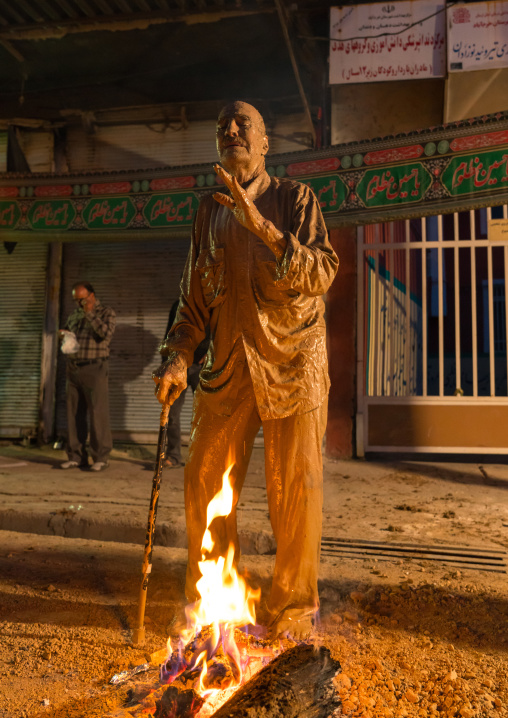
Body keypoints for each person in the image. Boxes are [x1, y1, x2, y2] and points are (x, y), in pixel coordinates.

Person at [152, 101, 339, 640]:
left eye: (243, 126)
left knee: (295, 490)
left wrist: (260, 225)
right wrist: (178, 356)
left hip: (294, 364)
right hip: (228, 368)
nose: (231, 131)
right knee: (202, 478)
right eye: (222, 128)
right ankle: (209, 606)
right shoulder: (207, 212)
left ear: (264, 144)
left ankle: (294, 611)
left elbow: (322, 270)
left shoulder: (294, 199)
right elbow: (192, 307)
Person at [60, 281, 116, 471]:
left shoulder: (106, 312)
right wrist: (64, 335)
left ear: (91, 296)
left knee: (98, 413)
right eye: (76, 300)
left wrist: (90, 313)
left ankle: (100, 457)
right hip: (73, 368)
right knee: (74, 413)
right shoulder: (75, 313)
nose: (79, 304)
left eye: (82, 300)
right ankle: (76, 456)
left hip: (95, 368)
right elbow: (69, 332)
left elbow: (104, 334)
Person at [163, 299, 209, 469]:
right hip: (178, 366)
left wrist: (211, 352)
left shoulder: (210, 304)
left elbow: (221, 332)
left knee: (205, 415)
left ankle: (204, 458)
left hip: (201, 366)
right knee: (172, 414)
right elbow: (169, 333)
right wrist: (166, 363)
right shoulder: (178, 305)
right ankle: (173, 455)